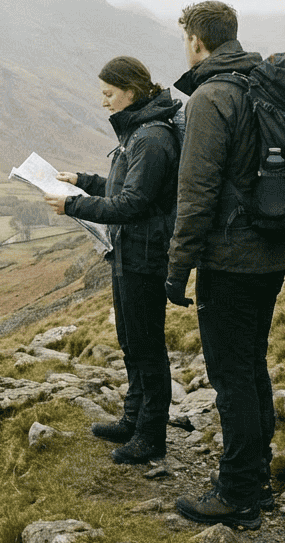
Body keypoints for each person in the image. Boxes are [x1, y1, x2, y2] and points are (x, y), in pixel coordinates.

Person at [167, 1, 285, 531]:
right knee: (251, 366)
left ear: (197, 41)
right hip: (270, 250)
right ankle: (255, 479)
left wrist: (178, 267)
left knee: (233, 375)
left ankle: (238, 492)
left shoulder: (211, 97)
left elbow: (196, 192)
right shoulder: (262, 85)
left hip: (230, 258)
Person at [44, 56, 183, 464]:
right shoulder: (139, 131)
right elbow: (126, 185)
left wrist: (74, 205)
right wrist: (83, 181)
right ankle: (133, 418)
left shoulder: (152, 138)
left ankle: (151, 435)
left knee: (146, 346)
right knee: (130, 342)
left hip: (146, 255)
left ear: (131, 92)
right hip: (128, 252)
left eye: (108, 94)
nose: (103, 102)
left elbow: (133, 202)